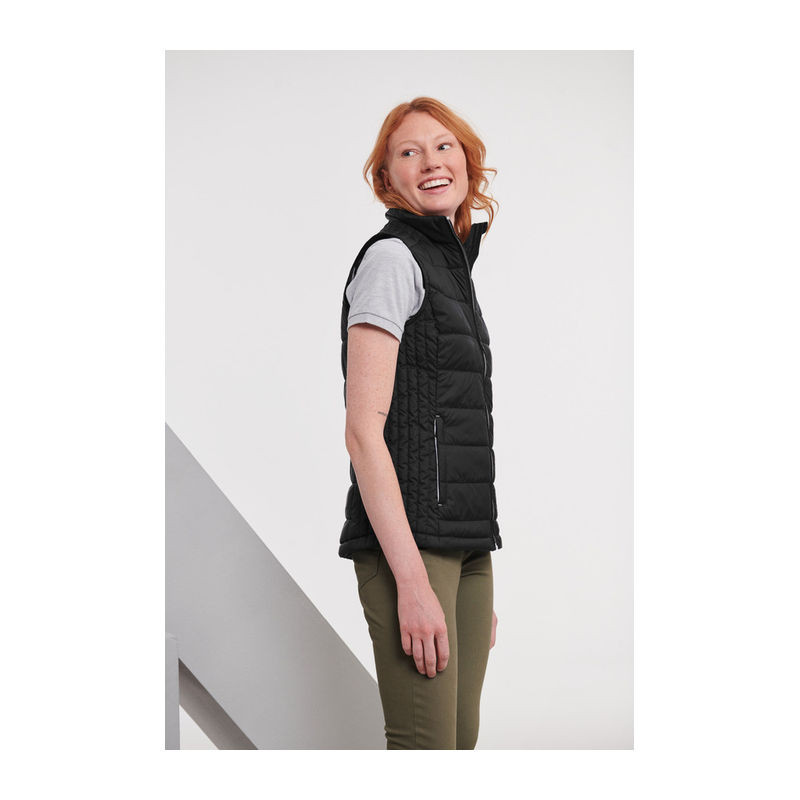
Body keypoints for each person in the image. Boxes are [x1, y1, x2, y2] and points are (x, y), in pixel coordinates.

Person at [339, 96, 501, 750]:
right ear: (388, 178)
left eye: (443, 146)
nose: (430, 162)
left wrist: (471, 581)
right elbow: (363, 430)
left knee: (458, 744)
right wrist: (412, 581)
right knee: (426, 751)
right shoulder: (393, 259)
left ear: (466, 161)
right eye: (409, 152)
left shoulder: (451, 266)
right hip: (409, 548)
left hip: (466, 547)